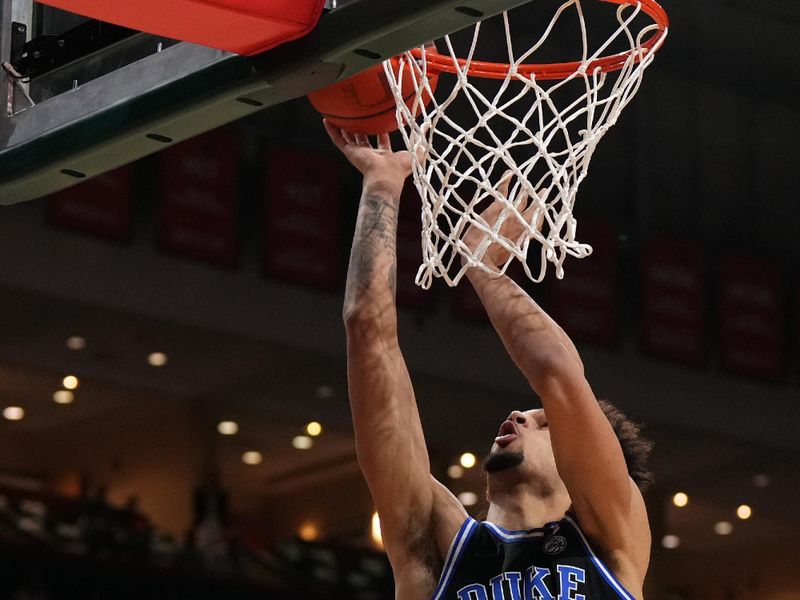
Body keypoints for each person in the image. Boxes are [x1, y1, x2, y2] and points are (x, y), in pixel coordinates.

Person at [327, 120, 654, 600]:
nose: (519, 415)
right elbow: (365, 328)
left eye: (544, 424)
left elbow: (557, 374)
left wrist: (483, 268)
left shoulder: (609, 539)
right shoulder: (437, 547)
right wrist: (381, 184)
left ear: (577, 461)